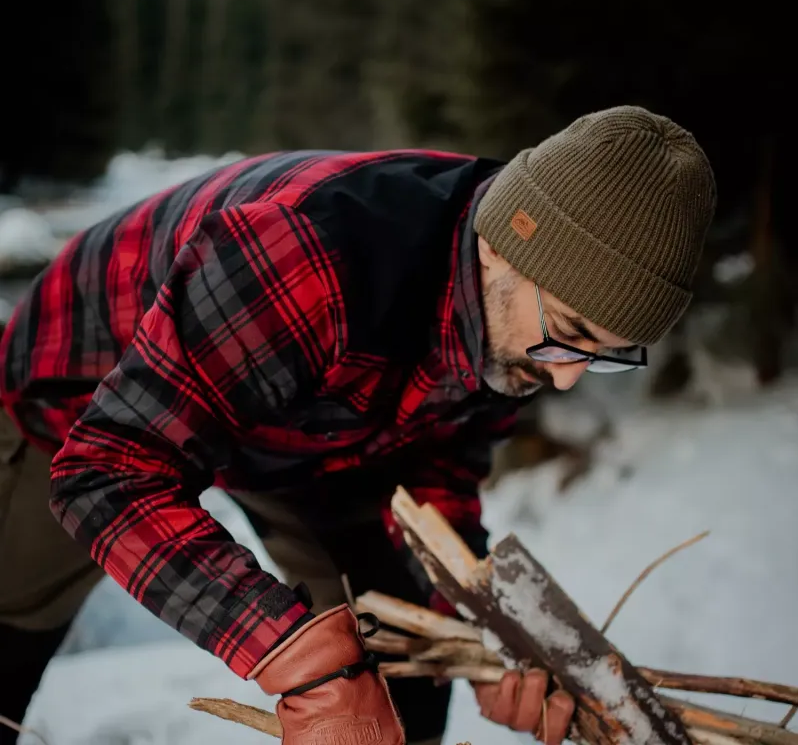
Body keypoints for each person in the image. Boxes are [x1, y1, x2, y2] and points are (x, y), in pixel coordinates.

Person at [0, 106, 716, 745]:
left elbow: (439, 470)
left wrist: (486, 638)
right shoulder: (318, 256)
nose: (568, 376)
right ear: (503, 244)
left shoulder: (521, 324)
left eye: (607, 355)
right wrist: (300, 662)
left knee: (404, 675)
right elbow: (106, 474)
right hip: (89, 392)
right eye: (568, 334)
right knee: (8, 639)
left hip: (309, 432)